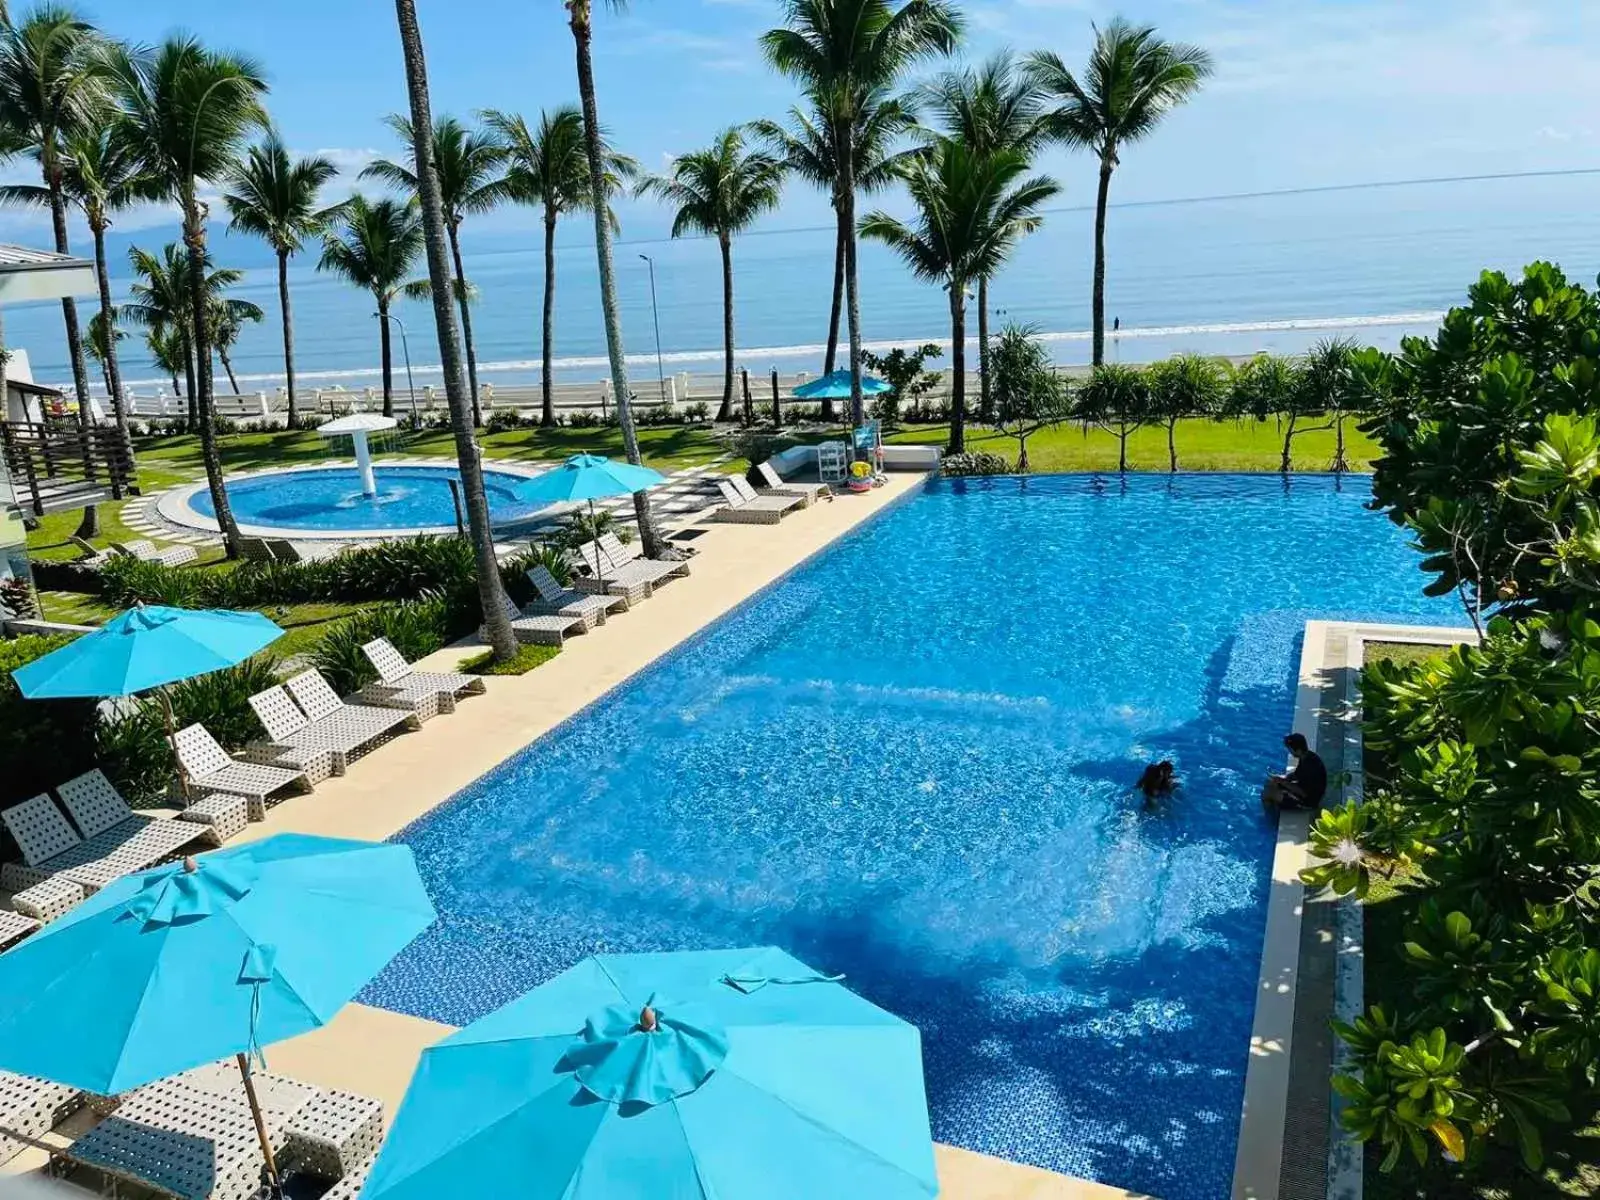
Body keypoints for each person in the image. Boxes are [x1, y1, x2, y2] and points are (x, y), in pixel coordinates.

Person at [1263, 732, 1327, 810]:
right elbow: (1297, 775)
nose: (1290, 751)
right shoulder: (1307, 756)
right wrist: (1283, 778)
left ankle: (1269, 813)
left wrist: (1284, 783)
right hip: (1303, 790)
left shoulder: (1310, 768)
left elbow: (1303, 793)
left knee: (1268, 793)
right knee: (1270, 783)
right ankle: (1276, 804)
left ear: (1298, 750)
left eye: (1290, 749)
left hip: (1309, 801)